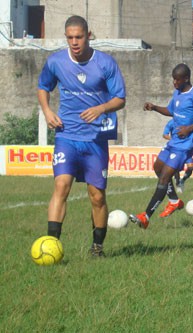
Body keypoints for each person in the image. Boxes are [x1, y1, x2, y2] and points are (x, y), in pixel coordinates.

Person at [37, 15, 126, 257]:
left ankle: (97, 247)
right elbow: (43, 86)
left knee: (97, 196)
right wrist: (47, 111)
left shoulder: (105, 63)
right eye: (70, 38)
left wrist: (100, 108)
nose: (74, 42)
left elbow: (120, 98)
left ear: (88, 35)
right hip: (67, 136)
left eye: (79, 37)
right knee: (61, 185)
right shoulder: (56, 61)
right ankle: (51, 245)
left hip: (96, 138)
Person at [129, 63, 193, 229]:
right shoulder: (177, 92)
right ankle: (174, 201)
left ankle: (145, 216)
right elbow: (171, 111)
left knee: (165, 176)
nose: (174, 82)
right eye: (173, 79)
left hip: (185, 145)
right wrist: (154, 107)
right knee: (158, 168)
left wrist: (190, 128)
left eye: (177, 79)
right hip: (173, 141)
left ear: (186, 79)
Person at [163, 119, 193, 193]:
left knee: (191, 167)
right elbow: (165, 134)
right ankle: (178, 183)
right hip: (176, 148)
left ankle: (182, 180)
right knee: (175, 167)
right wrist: (174, 139)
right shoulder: (171, 122)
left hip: (186, 149)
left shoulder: (187, 121)